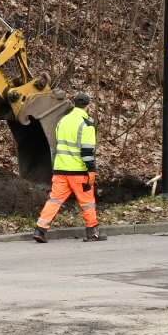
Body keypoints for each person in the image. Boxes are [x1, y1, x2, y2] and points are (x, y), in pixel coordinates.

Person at [34, 93, 104, 243]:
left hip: (60, 169)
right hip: (78, 172)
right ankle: (92, 232)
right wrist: (91, 170)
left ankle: (40, 229)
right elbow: (86, 151)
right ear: (88, 105)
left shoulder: (62, 121)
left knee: (54, 200)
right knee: (87, 202)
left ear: (74, 104)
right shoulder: (86, 123)